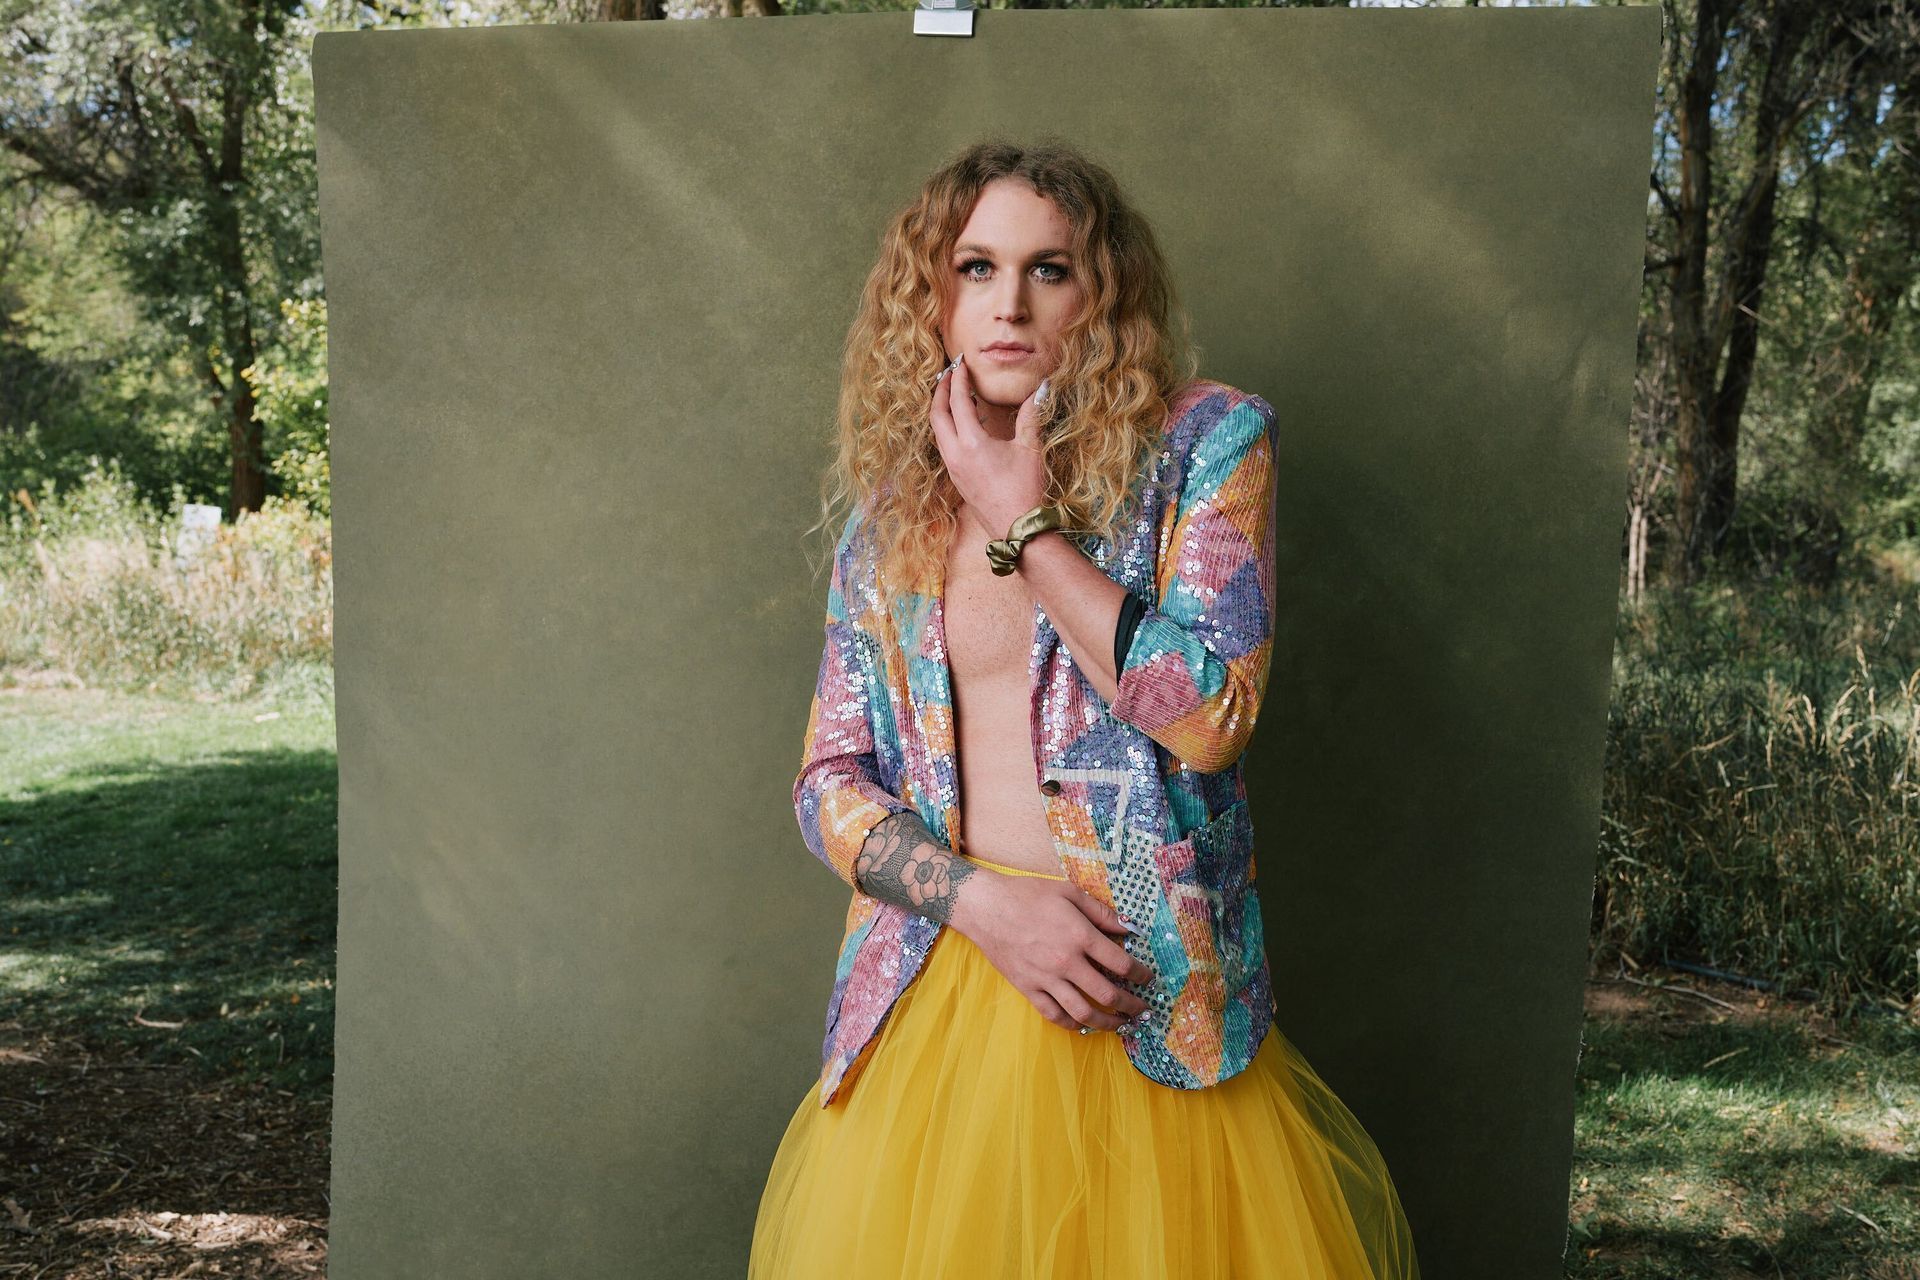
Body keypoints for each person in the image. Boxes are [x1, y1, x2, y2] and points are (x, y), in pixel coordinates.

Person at [750, 137, 1421, 1280]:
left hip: (1144, 998)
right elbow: (829, 783)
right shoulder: (892, 513)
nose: (1008, 303)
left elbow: (1211, 714)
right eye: (975, 268)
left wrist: (1025, 522)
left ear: (1103, 294)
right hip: (944, 989)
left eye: (1049, 269)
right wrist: (983, 905)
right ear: (935, 296)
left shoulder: (1207, 446)